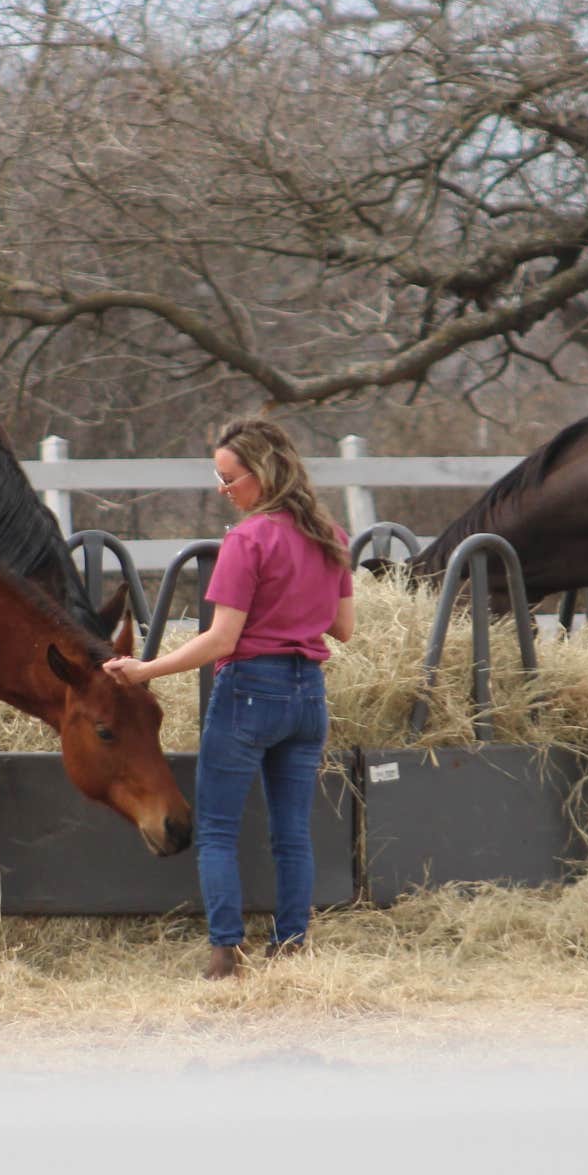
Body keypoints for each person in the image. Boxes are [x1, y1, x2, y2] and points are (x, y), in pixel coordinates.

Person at [103, 417, 356, 979]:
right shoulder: (331, 537)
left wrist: (146, 669)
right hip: (307, 694)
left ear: (260, 474)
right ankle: (291, 947)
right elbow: (343, 630)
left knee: (217, 828)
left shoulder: (247, 540)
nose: (224, 491)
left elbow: (221, 639)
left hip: (248, 692)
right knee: (292, 832)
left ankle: (226, 953)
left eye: (228, 479)